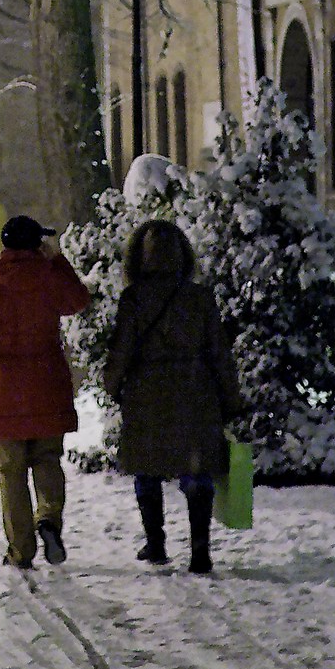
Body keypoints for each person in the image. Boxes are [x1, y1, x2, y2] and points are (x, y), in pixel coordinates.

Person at [103, 219, 240, 572]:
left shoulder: (133, 299)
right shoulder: (199, 298)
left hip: (147, 392)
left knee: (147, 469)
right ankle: (200, 550)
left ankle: (156, 543)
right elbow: (219, 351)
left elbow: (121, 349)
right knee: (197, 472)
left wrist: (112, 384)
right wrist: (230, 397)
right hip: (196, 390)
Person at [0, 215, 90, 569]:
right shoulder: (48, 275)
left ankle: (21, 549)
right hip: (47, 382)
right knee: (48, 460)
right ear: (36, 244)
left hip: (5, 389)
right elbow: (78, 300)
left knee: (11, 472)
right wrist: (56, 261)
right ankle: (48, 517)